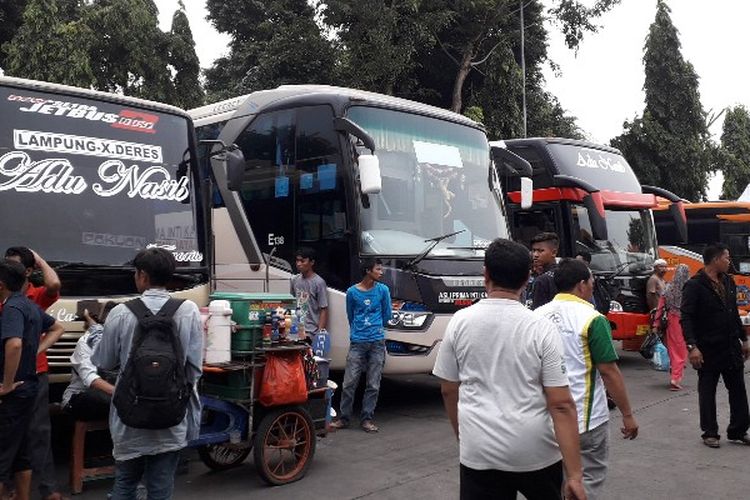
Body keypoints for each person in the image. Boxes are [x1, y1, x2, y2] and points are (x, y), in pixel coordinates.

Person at [433, 239, 586, 500]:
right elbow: (561, 404)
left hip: (479, 451)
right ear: (527, 278)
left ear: (486, 275)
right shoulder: (540, 327)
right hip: (536, 450)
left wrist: (465, 437)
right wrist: (574, 475)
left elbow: (449, 390)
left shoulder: (460, 322)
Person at [92, 248, 203, 499]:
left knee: (125, 484)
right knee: (160, 487)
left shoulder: (120, 313)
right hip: (172, 416)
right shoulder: (189, 311)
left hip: (128, 416)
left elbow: (104, 361)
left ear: (142, 275)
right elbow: (194, 370)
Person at [536, 258, 638, 500]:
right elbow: (609, 372)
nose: (593, 286)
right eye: (592, 281)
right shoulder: (592, 319)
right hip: (587, 420)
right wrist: (628, 415)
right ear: (581, 285)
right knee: (587, 480)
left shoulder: (536, 316)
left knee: (558, 480)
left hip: (545, 419)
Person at [4, 247, 64, 500]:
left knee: (36, 433)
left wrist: (38, 257)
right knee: (13, 440)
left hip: (29, 375)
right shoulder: (10, 300)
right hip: (16, 376)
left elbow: (54, 283)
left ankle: (48, 490)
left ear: (28, 272)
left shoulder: (32, 297)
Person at [681, 243, 750, 448]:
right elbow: (686, 318)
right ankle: (710, 432)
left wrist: (744, 340)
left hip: (730, 346)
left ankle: (738, 430)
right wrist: (692, 346)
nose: (730, 262)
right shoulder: (695, 285)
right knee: (707, 391)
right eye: (727, 258)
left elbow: (733, 313)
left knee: (738, 389)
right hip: (707, 349)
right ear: (715, 260)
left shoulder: (728, 282)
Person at [330, 258, 392, 433]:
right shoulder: (352, 292)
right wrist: (358, 331)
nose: (381, 272)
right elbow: (351, 315)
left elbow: (387, 314)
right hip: (358, 342)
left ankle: (367, 418)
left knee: (373, 383)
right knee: (349, 381)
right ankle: (344, 418)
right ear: (368, 270)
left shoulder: (383, 290)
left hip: (377, 342)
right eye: (378, 269)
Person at [62, 306, 117, 421]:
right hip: (83, 395)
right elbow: (91, 379)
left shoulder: (124, 339)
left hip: (114, 392)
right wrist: (121, 393)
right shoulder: (86, 342)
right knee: (96, 398)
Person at [653, 264, 690, 391]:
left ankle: (673, 372)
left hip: (670, 322)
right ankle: (675, 378)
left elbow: (659, 308)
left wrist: (656, 324)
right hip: (684, 322)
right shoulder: (688, 289)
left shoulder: (668, 288)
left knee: (672, 349)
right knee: (680, 351)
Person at [290, 247, 329, 339]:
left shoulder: (319, 282)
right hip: (295, 330)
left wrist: (320, 333)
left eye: (303, 261)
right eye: (297, 261)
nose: (299, 264)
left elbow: (323, 309)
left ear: (312, 262)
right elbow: (291, 303)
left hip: (311, 332)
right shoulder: (294, 280)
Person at [530, 232, 559, 310]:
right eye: (533, 250)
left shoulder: (543, 280)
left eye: (540, 251)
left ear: (554, 253)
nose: (535, 254)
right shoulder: (534, 275)